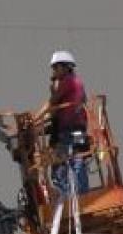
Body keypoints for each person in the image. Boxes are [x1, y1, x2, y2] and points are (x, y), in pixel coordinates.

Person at [34, 50, 89, 195]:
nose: (54, 71)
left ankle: (64, 197)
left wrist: (35, 119)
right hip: (79, 129)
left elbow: (52, 103)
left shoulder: (68, 82)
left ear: (65, 67)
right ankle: (82, 193)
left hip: (68, 130)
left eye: (55, 67)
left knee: (59, 163)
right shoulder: (77, 82)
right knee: (78, 159)